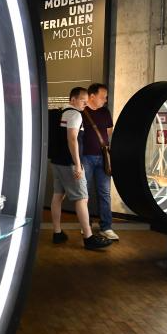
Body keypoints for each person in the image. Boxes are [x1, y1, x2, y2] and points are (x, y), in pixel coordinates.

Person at [49, 87, 111, 250]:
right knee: (82, 198)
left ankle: (57, 233)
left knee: (58, 196)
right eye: (83, 100)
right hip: (69, 163)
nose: (85, 103)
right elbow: (72, 139)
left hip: (57, 161)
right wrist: (77, 164)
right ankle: (89, 238)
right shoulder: (75, 115)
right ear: (73, 99)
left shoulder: (62, 112)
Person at [82, 83, 118, 240]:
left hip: (103, 158)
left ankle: (106, 227)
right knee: (85, 193)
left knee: (105, 193)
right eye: (103, 97)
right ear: (92, 96)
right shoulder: (81, 112)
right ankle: (86, 225)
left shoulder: (105, 112)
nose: (105, 100)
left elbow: (109, 132)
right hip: (85, 157)